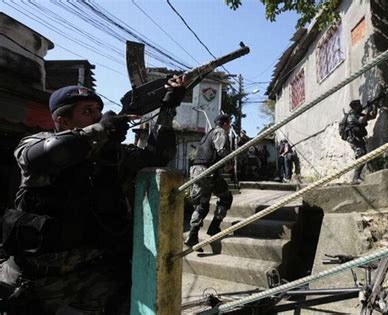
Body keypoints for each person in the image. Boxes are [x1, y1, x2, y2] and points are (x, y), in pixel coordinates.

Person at [0, 76, 186, 314]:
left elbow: (156, 157)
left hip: (95, 279)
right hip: (39, 283)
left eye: (98, 111)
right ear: (62, 121)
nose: (97, 116)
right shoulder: (36, 143)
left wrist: (168, 107)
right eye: (87, 111)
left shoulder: (110, 154)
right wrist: (103, 129)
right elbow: (51, 154)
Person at [184, 114, 233, 249]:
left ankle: (192, 235)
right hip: (207, 171)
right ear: (224, 123)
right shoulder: (219, 131)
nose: (229, 126)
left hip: (196, 170)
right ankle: (214, 227)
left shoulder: (207, 134)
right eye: (229, 123)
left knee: (202, 204)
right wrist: (229, 164)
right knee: (226, 197)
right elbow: (222, 150)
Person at [343, 99, 378, 184]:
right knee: (361, 154)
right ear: (355, 107)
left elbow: (372, 116)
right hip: (353, 138)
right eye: (359, 105)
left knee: (363, 154)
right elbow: (363, 120)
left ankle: (356, 177)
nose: (361, 106)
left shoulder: (358, 114)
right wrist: (368, 110)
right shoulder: (352, 116)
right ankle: (356, 178)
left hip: (358, 138)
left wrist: (375, 107)